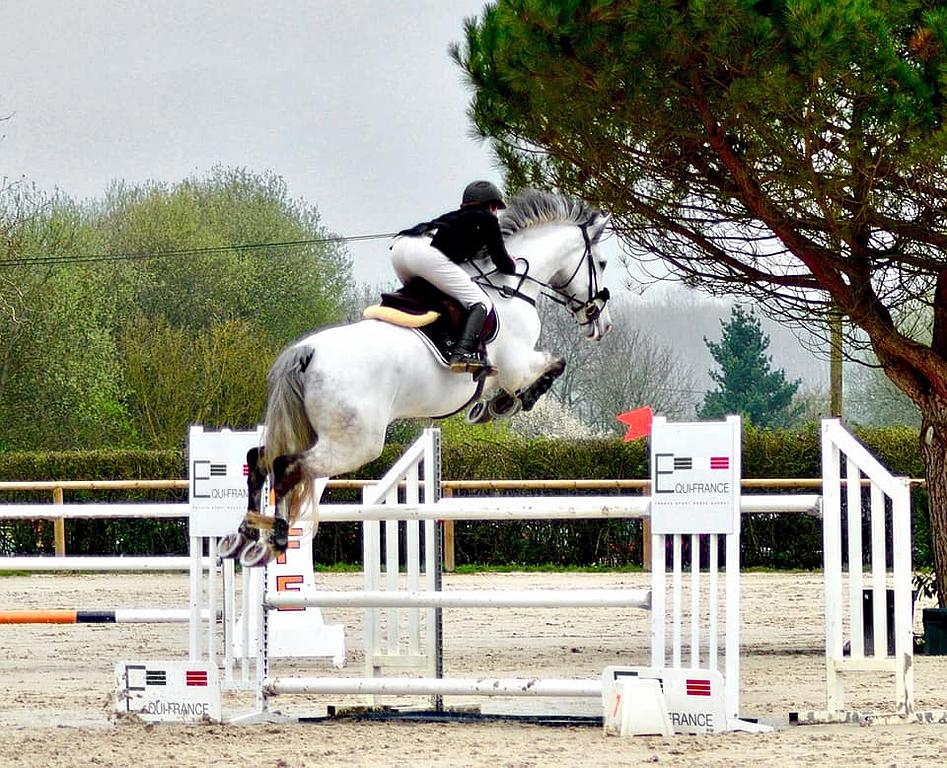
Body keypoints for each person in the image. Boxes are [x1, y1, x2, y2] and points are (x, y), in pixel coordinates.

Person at [390, 180, 517, 373]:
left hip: (400, 249)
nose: (496, 212)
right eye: (496, 208)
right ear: (492, 205)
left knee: (435, 296)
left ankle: (440, 338)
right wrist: (512, 262)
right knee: (481, 302)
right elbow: (503, 264)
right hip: (424, 253)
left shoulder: (457, 218)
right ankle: (462, 352)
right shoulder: (488, 219)